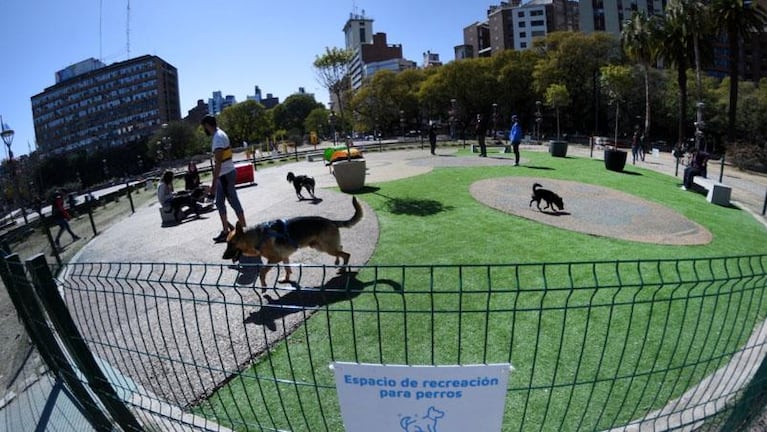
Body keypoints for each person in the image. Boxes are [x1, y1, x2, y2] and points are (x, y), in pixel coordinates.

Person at [201, 114, 246, 242]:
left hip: (225, 175)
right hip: (225, 174)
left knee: (233, 202)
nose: (205, 130)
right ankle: (226, 231)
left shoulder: (218, 138)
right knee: (219, 203)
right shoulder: (219, 135)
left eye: (204, 127)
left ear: (207, 125)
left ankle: (244, 230)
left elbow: (218, 163)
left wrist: (214, 184)